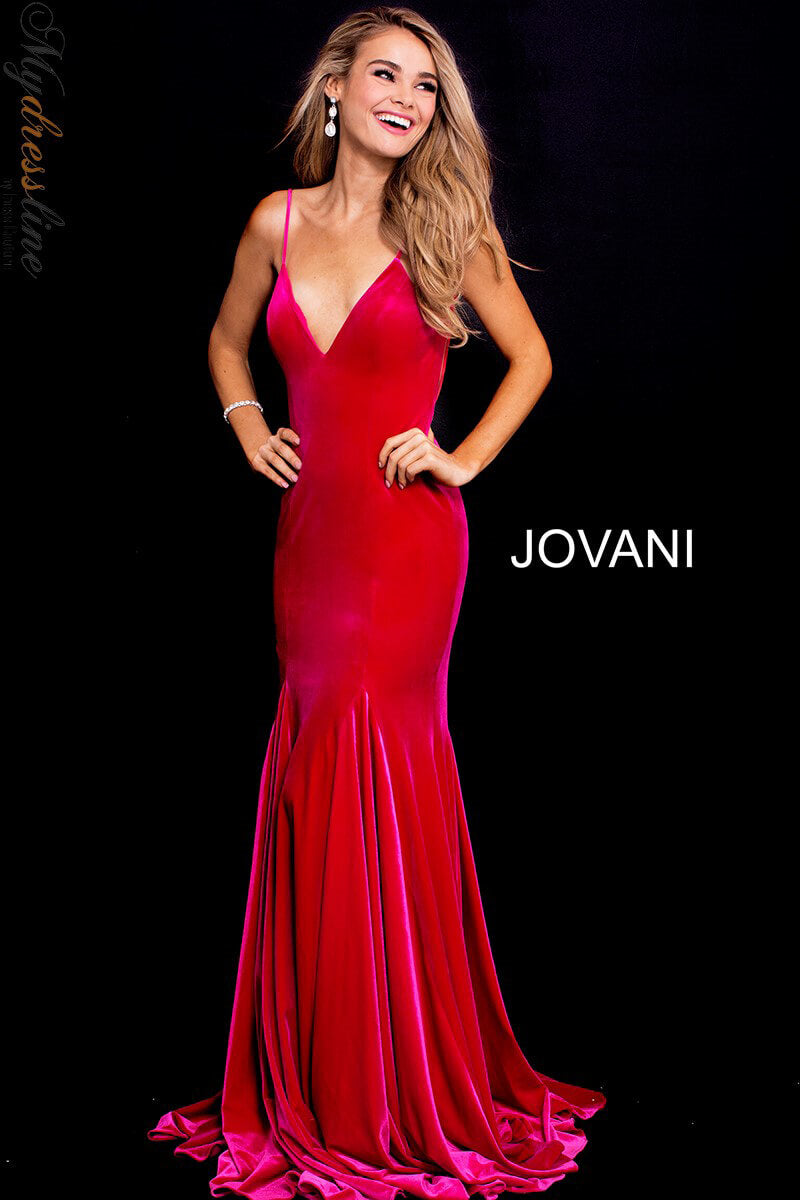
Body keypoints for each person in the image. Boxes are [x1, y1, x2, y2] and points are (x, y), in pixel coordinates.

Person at [148, 8, 605, 1198]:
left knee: (384, 763)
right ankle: (323, 1072)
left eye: (425, 84)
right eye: (384, 75)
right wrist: (246, 422)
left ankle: (395, 1084)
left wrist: (460, 457)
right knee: (315, 760)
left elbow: (531, 359)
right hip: (309, 546)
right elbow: (225, 342)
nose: (406, 97)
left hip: (407, 547)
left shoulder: (446, 225)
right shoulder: (275, 220)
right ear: (336, 90)